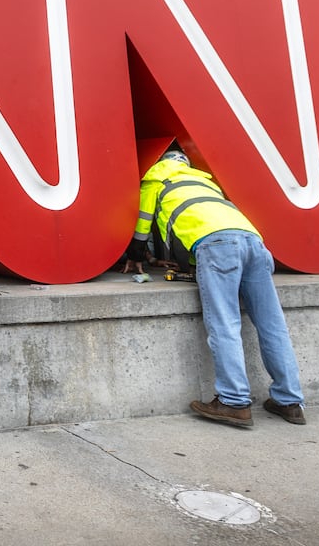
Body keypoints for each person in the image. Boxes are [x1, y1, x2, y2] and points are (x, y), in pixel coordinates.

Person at [126, 146, 306, 427]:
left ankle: (233, 402)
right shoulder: (204, 181)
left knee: (224, 323)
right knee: (272, 324)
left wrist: (137, 258)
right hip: (254, 242)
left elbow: (142, 229)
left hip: (216, 245)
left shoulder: (155, 181)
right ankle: (290, 401)